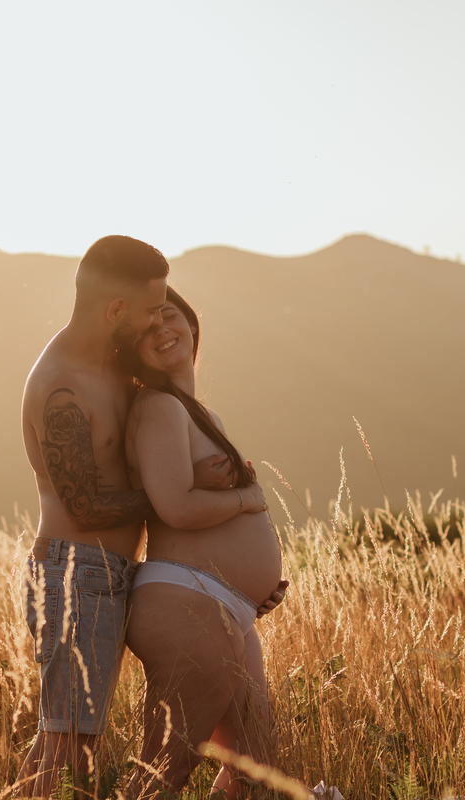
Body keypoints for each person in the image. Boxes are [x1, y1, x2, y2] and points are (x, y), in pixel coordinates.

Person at [18, 236, 285, 798]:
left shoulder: (118, 369)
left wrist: (233, 572)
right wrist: (187, 493)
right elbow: (86, 507)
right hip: (76, 572)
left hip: (116, 571)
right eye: (150, 310)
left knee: (76, 745)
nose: (156, 321)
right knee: (67, 746)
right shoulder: (62, 386)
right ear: (117, 309)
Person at [120, 287, 283, 799]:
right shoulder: (158, 405)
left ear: (191, 323)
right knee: (163, 774)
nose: (162, 330)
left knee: (254, 770)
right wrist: (247, 499)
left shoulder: (199, 413)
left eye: (169, 315)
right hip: (189, 601)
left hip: (223, 605)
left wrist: (255, 584)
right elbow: (176, 507)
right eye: (146, 329)